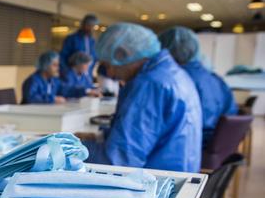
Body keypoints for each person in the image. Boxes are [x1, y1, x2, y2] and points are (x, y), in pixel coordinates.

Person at [82, 23, 202, 173]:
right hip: (179, 174)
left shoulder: (149, 84)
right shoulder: (173, 73)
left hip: (157, 183)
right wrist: (99, 138)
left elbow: (118, 162)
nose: (110, 74)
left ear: (123, 54)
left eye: (108, 65)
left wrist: (70, 149)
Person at [158, 26, 238, 147]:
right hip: (216, 144)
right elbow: (231, 112)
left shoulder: (172, 80)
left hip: (189, 146)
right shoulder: (216, 79)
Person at [60, 14, 98, 78]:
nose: (91, 28)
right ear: (83, 25)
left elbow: (95, 58)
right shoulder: (72, 39)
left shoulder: (92, 41)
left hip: (87, 75)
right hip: (73, 74)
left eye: (93, 26)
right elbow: (63, 57)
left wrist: (90, 71)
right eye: (89, 25)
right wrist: (66, 72)